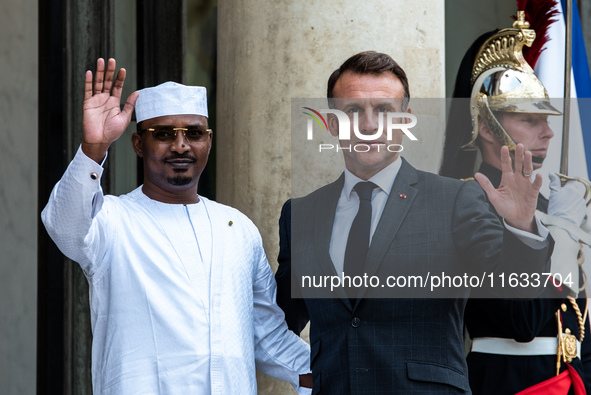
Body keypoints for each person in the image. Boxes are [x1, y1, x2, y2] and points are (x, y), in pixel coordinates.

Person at [275, 50, 554, 394]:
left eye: (383, 111)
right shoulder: (301, 214)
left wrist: (521, 229)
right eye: (353, 111)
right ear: (332, 124)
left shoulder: (455, 200)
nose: (368, 124)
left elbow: (519, 320)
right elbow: (276, 320)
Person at [41, 58, 312, 394]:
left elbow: (266, 333)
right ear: (140, 145)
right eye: (164, 134)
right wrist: (93, 149)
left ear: (208, 142)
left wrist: (332, 371)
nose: (181, 145)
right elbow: (63, 225)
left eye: (194, 133)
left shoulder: (238, 228)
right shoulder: (112, 220)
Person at [440, 9, 591, 394]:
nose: (548, 132)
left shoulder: (555, 197)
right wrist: (560, 230)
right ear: (488, 126)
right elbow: (521, 320)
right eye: (529, 119)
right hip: (508, 382)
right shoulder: (466, 200)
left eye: (546, 118)